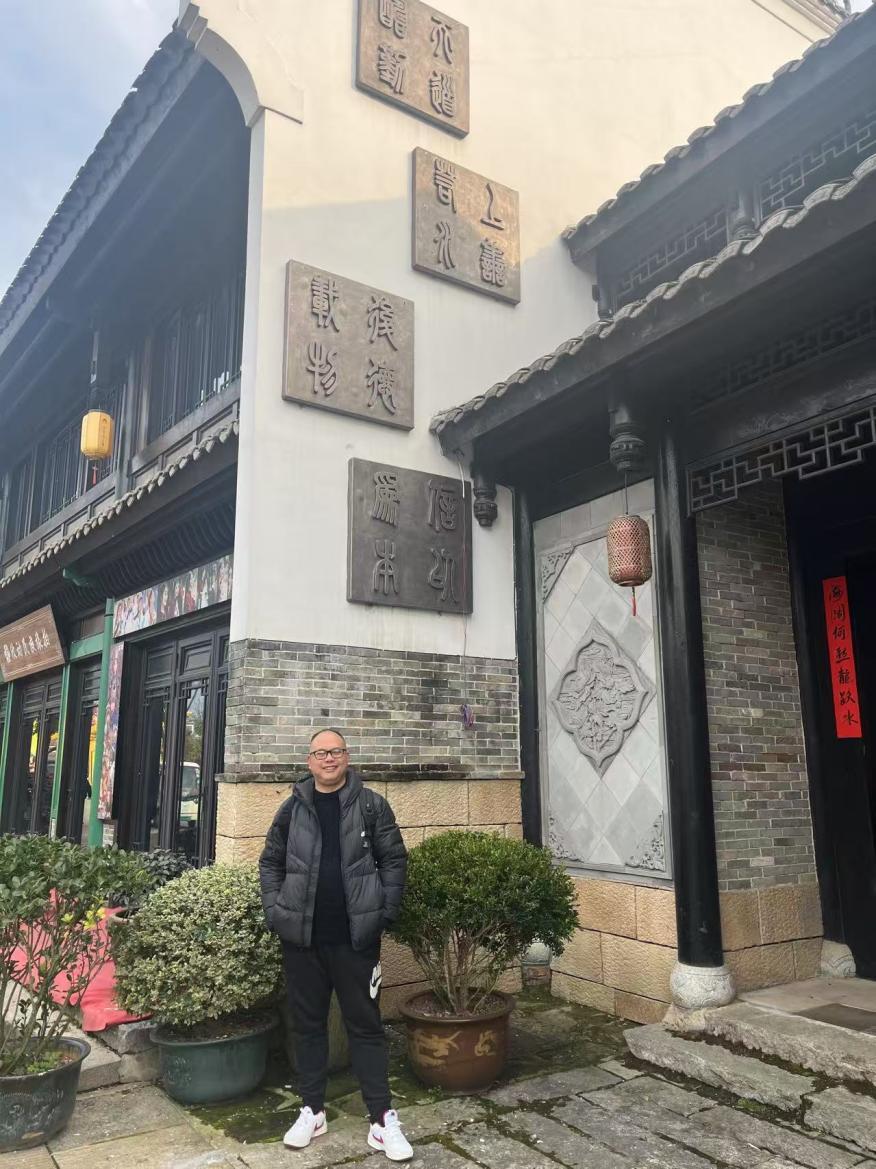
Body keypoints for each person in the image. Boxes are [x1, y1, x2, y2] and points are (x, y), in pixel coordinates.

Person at [259, 729, 412, 1162]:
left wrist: (383, 913)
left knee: (365, 1026)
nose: (329, 758)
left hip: (355, 941)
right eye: (321, 753)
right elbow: (270, 861)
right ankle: (312, 1110)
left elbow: (394, 860)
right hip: (302, 941)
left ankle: (381, 1119)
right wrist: (276, 911)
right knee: (307, 1026)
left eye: (336, 751)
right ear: (309, 761)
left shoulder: (371, 805)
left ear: (347, 757)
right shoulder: (292, 810)